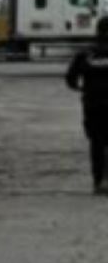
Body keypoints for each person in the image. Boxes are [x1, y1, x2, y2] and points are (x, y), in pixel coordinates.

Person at [66, 15, 108, 195]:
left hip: (92, 105)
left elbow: (70, 79)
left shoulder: (84, 54)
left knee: (97, 144)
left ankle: (99, 181)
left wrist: (82, 87)